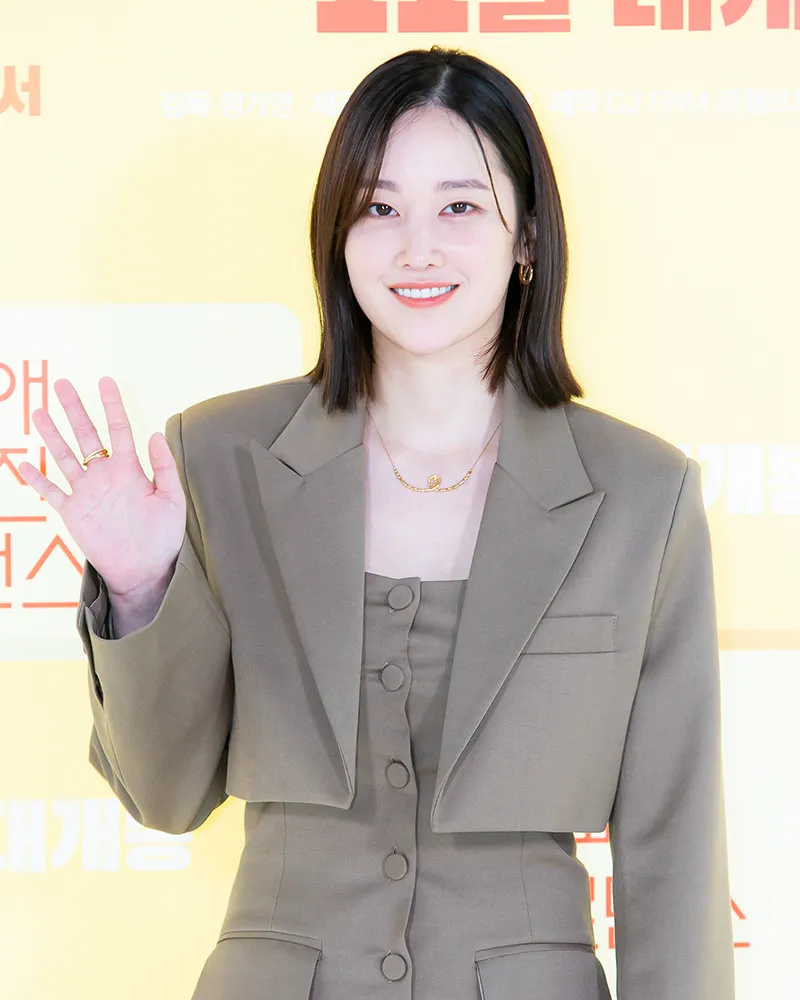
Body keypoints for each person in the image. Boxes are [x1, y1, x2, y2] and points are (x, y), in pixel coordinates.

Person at [19, 46, 735, 1000]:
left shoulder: (643, 493)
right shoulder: (219, 457)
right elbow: (164, 796)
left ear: (527, 235)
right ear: (337, 234)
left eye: (460, 207)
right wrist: (143, 584)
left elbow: (675, 848)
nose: (417, 248)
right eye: (380, 208)